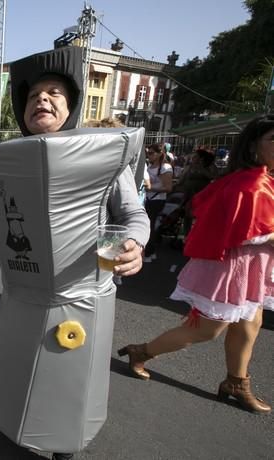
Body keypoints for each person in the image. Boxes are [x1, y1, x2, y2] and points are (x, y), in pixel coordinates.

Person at [0, 47, 149, 459]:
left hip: (81, 295)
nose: (41, 100)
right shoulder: (7, 160)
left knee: (68, 378)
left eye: (53, 94)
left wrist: (132, 245)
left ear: (71, 107)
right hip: (22, 292)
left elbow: (131, 214)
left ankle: (64, 443)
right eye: (32, 96)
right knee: (19, 366)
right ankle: (5, 421)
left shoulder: (103, 150)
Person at [118, 114, 274, 414]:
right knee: (207, 330)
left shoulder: (261, 180)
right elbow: (239, 231)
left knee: (251, 322)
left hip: (250, 265)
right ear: (255, 145)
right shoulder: (249, 183)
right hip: (231, 265)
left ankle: (236, 382)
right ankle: (141, 352)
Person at [143, 142, 173, 262]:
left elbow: (168, 187)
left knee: (150, 225)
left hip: (157, 200)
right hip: (148, 199)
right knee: (149, 225)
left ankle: (149, 253)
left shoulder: (165, 167)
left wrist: (150, 188)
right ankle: (151, 251)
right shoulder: (150, 167)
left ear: (160, 154)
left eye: (151, 153)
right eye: (148, 153)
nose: (149, 155)